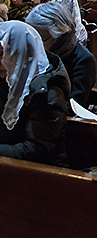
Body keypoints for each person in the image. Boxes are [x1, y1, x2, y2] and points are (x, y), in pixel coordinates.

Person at [0, 21, 70, 166]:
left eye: (5, 54)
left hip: (39, 175)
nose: (1, 62)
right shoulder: (5, 79)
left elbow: (37, 148)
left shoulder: (47, 92)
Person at [26, 2, 97, 107]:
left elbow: (74, 105)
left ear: (57, 35)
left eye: (40, 40)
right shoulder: (35, 51)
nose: (34, 46)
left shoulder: (83, 59)